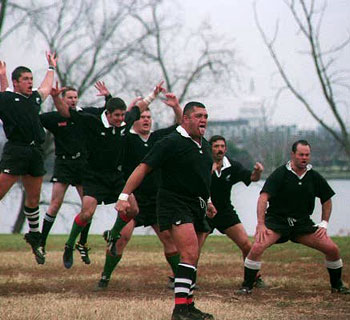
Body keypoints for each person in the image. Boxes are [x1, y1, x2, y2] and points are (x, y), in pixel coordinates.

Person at [115, 101, 216, 320]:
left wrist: (208, 201)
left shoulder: (204, 146)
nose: (203, 120)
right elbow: (143, 168)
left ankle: (188, 306)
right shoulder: (169, 142)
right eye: (198, 116)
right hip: (174, 203)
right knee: (188, 252)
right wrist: (124, 196)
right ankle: (179, 311)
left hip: (196, 205)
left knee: (192, 256)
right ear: (185, 119)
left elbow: (202, 178)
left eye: (206, 116)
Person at [51, 81, 165, 269]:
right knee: (87, 213)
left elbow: (138, 108)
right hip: (93, 176)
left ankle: (112, 234)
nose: (121, 119)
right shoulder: (91, 121)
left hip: (115, 177)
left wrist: (153, 95)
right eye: (117, 116)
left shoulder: (124, 121)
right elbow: (65, 113)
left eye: (122, 115)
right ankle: (70, 244)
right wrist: (56, 97)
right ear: (107, 114)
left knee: (133, 210)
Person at [237, 140, 350, 295]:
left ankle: (337, 286)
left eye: (307, 155)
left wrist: (324, 223)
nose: (304, 158)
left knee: (332, 249)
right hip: (277, 222)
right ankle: (247, 286)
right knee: (256, 248)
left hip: (302, 224)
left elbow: (327, 199)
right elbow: (263, 198)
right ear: (293, 155)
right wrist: (261, 224)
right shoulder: (281, 173)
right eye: (301, 154)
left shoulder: (313, 176)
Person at [97, 92, 183, 290]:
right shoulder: (126, 139)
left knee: (168, 238)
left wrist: (176, 106)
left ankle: (181, 279)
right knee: (122, 238)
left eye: (148, 117)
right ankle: (105, 277)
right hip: (134, 200)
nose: (146, 120)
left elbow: (180, 126)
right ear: (135, 120)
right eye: (142, 117)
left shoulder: (159, 139)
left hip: (157, 200)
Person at [38, 81, 111, 264]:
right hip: (63, 164)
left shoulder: (85, 114)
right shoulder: (54, 117)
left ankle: (82, 243)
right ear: (63, 99)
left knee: (88, 207)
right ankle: (41, 242)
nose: (72, 100)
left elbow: (108, 112)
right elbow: (33, 118)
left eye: (75, 97)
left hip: (82, 165)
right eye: (69, 97)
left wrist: (107, 96)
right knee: (55, 204)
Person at [0, 52, 57, 264]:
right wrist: (2, 76)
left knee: (33, 200)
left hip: (35, 152)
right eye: (26, 79)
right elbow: (3, 91)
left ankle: (35, 239)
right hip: (16, 151)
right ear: (16, 83)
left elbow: (46, 88)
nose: (30, 82)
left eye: (31, 79)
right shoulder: (7, 99)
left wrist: (51, 68)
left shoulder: (34, 98)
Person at [197, 135, 265, 287]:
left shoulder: (232, 166)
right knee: (194, 248)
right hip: (204, 211)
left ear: (226, 149)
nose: (220, 149)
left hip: (225, 211)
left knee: (247, 245)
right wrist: (208, 171)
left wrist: (258, 172)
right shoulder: (202, 164)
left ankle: (254, 278)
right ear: (210, 149)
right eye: (216, 146)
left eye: (222, 146)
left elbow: (252, 178)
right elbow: (194, 183)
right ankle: (187, 280)